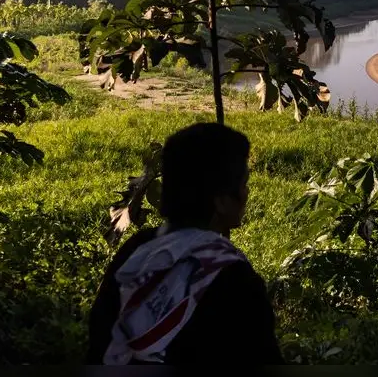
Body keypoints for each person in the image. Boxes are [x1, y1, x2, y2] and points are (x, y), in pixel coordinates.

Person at [86, 123, 284, 365]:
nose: (247, 193)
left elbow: (98, 337)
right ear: (221, 201)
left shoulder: (138, 248)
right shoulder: (235, 279)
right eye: (243, 184)